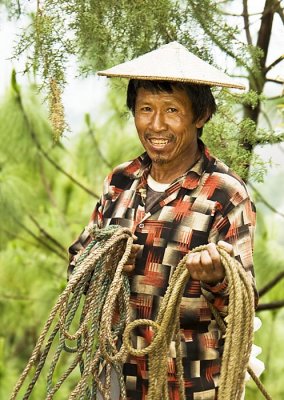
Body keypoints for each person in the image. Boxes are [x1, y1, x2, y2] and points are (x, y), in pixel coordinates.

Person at [68, 42, 258, 399]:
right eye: (145, 109)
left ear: (199, 116)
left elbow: (244, 301)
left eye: (172, 110)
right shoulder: (120, 180)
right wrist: (98, 261)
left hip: (187, 381)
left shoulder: (224, 193)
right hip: (114, 375)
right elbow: (78, 262)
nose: (156, 124)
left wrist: (217, 276)